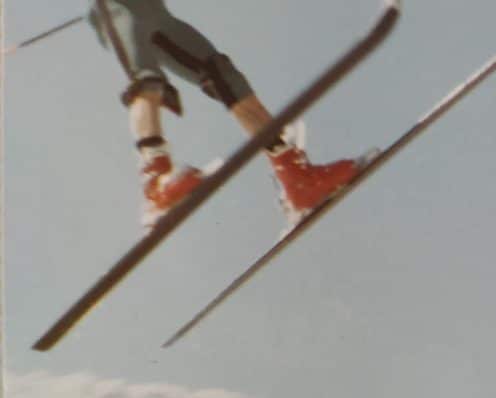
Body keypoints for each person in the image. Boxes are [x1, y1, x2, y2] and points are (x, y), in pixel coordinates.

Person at [87, 0, 375, 228]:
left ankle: (295, 177)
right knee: (146, 82)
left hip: (156, 13)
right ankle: (155, 186)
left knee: (222, 74)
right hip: (116, 8)